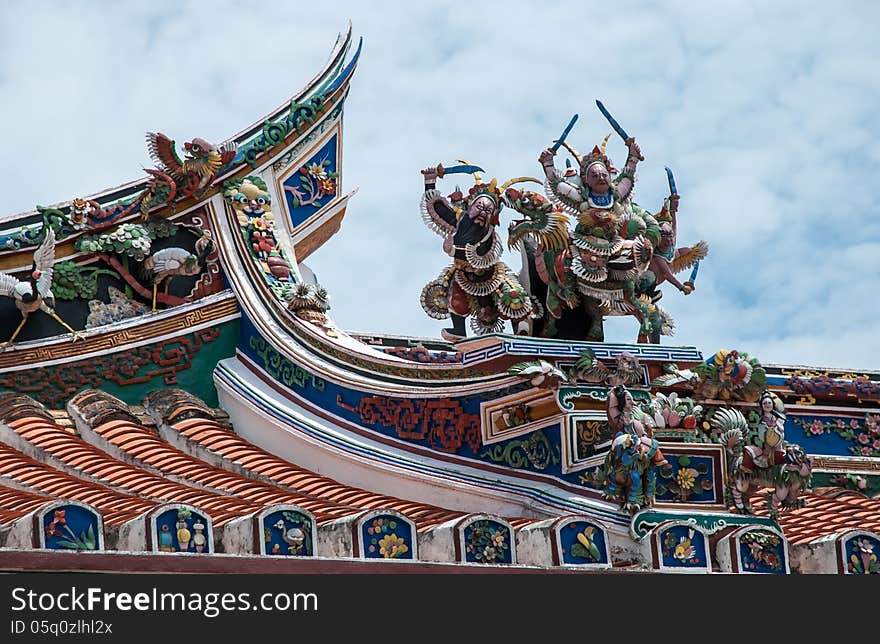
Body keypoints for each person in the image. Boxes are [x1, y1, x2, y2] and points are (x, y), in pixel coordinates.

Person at [419, 166, 532, 341]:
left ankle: (520, 326)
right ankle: (458, 330)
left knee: (512, 296)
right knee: (455, 299)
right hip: (464, 276)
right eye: (479, 206)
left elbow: (477, 254)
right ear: (470, 206)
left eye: (488, 210)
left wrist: (453, 250)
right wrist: (430, 181)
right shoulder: (459, 220)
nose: (482, 212)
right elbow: (437, 208)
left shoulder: (488, 233)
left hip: (492, 275)